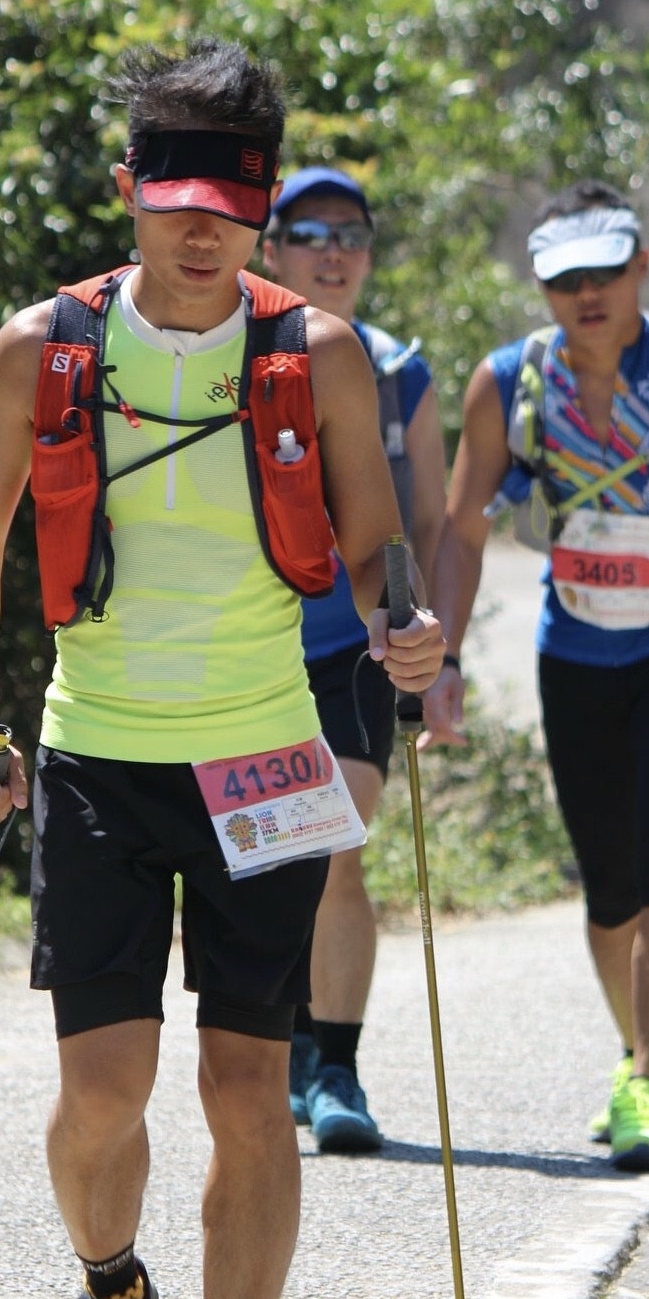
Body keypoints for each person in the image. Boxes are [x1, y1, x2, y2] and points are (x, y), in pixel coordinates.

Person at [0, 39, 445, 1299]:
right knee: (102, 1090)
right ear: (128, 193)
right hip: (96, 754)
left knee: (246, 1087)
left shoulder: (317, 354)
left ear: (263, 204)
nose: (201, 223)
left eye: (231, 197)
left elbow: (374, 546)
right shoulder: (41, 347)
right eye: (175, 195)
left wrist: (404, 625)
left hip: (265, 757)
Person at [421, 180, 649, 1174]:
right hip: (573, 648)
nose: (585, 294)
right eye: (563, 279)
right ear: (542, 286)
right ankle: (638, 1057)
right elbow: (460, 528)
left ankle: (644, 1075)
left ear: (639, 266)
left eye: (603, 272)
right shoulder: (507, 382)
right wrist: (444, 662)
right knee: (604, 885)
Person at [261, 168, 446, 1152]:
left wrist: (431, 648)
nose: (332, 251)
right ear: (270, 249)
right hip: (242, 656)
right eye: (307, 232)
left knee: (334, 843)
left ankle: (334, 1062)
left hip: (354, 648)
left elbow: (429, 522)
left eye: (351, 234)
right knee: (266, 858)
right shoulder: (228, 362)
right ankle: (283, 1037)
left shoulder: (398, 373)